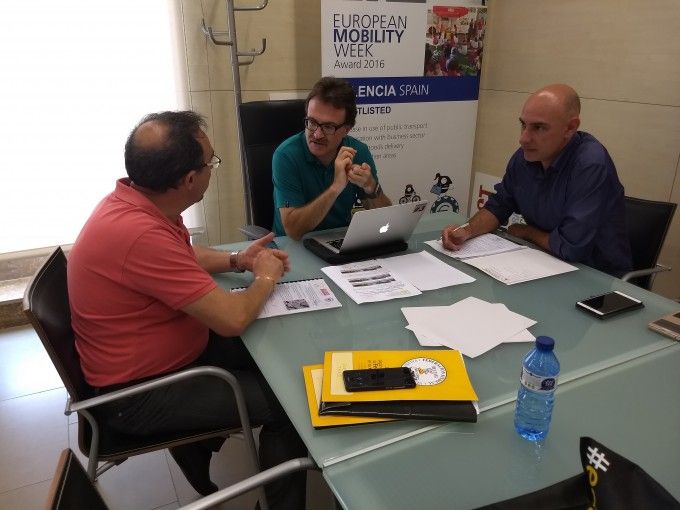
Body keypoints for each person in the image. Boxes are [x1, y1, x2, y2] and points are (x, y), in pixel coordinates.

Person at [67, 111, 307, 508]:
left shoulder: (135, 202)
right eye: (212, 162)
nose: (214, 168)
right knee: (293, 403)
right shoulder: (140, 233)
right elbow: (232, 319)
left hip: (168, 357)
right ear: (190, 180)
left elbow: (181, 254)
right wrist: (265, 277)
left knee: (279, 349)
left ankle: (198, 447)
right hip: (138, 397)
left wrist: (238, 260)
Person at [442, 83, 632, 276]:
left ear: (570, 127)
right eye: (523, 125)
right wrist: (467, 230)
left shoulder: (590, 164)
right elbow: (499, 206)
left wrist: (528, 232)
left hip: (595, 276)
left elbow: (570, 247)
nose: (523, 139)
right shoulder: (525, 156)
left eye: (539, 127)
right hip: (542, 260)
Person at [272, 76, 391, 239]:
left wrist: (371, 186)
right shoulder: (286, 155)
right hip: (291, 246)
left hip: (339, 241)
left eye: (328, 127)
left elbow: (386, 221)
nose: (317, 134)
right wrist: (336, 187)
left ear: (346, 129)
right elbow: (293, 231)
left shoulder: (358, 152)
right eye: (312, 122)